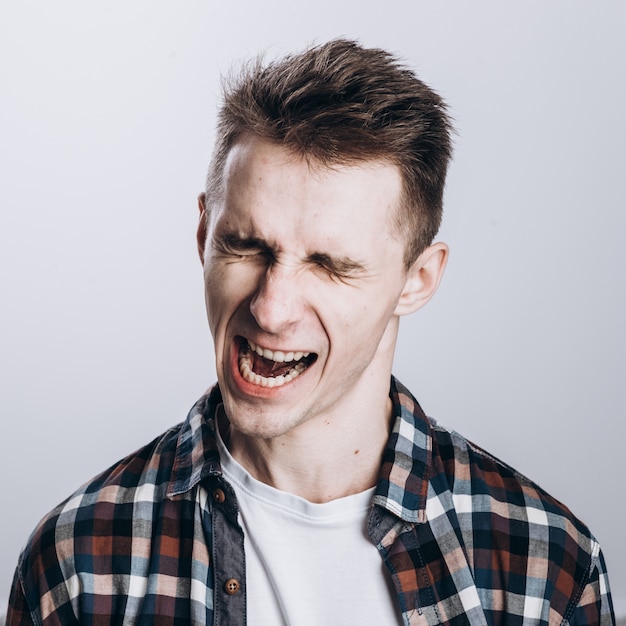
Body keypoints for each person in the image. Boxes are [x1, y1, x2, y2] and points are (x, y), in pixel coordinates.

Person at [7, 39, 614, 626]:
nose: (271, 311)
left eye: (329, 266)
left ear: (417, 279)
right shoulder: (79, 560)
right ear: (203, 236)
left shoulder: (545, 566)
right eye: (244, 247)